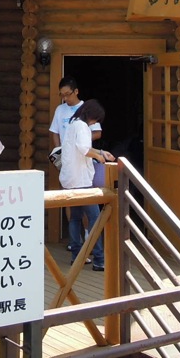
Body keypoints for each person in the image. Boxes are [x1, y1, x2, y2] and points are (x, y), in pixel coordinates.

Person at [59, 99, 114, 272]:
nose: (95, 123)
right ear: (92, 116)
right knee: (95, 219)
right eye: (96, 120)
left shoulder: (73, 124)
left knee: (75, 218)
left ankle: (77, 256)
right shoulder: (82, 127)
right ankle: (99, 259)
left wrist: (100, 152)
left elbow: (78, 148)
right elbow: (84, 149)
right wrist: (99, 157)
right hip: (82, 181)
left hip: (69, 179)